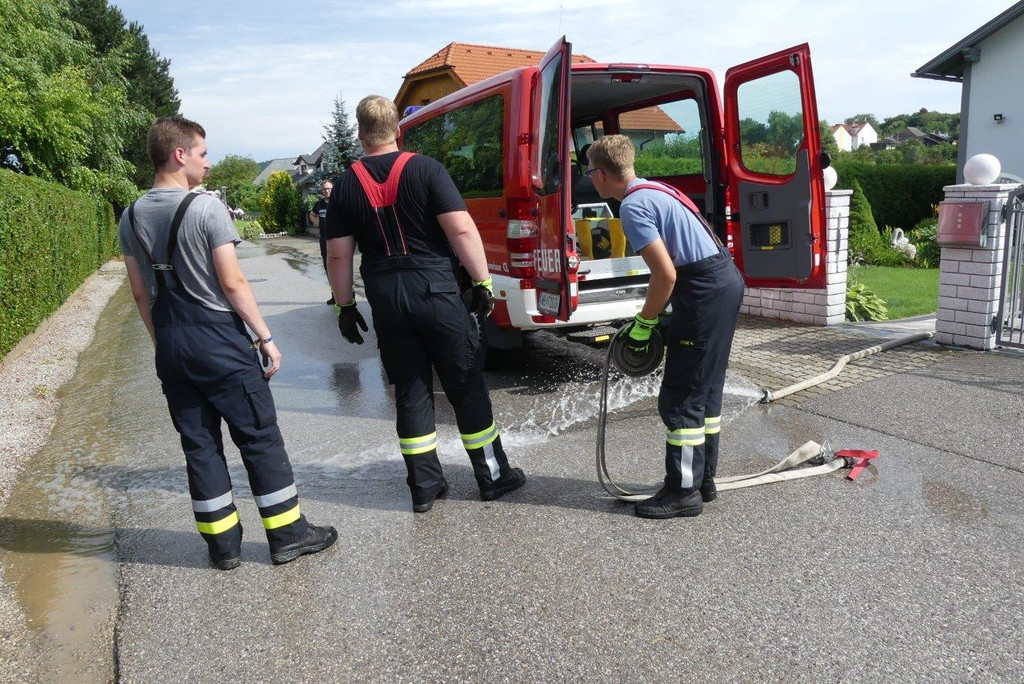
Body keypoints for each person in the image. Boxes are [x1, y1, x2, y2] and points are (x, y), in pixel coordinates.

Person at [120, 116, 337, 569]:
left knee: (198, 444)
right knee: (258, 434)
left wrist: (163, 341)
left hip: (171, 340)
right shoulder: (206, 208)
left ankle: (223, 547)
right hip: (218, 337)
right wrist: (265, 336)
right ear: (179, 154)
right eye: (202, 152)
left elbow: (141, 292)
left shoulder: (132, 215)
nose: (209, 162)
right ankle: (288, 534)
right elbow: (233, 282)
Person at [325, 95, 525, 513]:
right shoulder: (426, 169)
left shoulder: (345, 185)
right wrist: (482, 282)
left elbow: (339, 255)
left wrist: (345, 307)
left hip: (387, 300)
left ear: (361, 133)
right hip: (436, 291)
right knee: (465, 385)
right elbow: (462, 232)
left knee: (412, 392)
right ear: (398, 129)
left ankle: (424, 486)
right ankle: (492, 476)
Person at [586, 135, 745, 519]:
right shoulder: (658, 190)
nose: (589, 178)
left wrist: (644, 321)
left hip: (703, 289)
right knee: (705, 391)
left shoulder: (633, 206)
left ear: (601, 174)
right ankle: (702, 481)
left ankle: (682, 493)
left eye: (589, 172)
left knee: (680, 397)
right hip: (724, 281)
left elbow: (665, 275)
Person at [309, 179, 335, 304]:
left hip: (337, 239)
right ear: (322, 190)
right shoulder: (319, 204)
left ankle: (348, 296)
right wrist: (315, 222)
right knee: (327, 266)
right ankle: (334, 294)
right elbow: (312, 214)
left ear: (333, 188)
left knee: (341, 266)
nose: (327, 191)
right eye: (325, 189)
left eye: (329, 188)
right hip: (324, 239)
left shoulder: (338, 202)